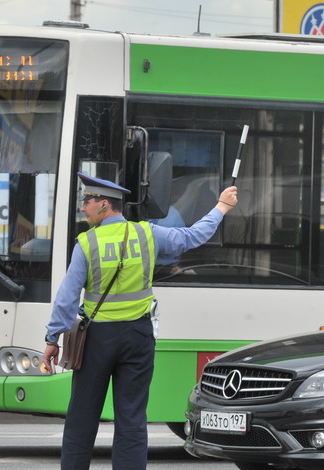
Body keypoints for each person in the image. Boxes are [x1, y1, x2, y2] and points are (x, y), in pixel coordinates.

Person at [42, 172, 237, 470]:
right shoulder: (148, 234)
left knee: (82, 416)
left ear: (104, 205)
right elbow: (193, 236)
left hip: (96, 340)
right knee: (132, 418)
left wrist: (52, 340)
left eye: (87, 201)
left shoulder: (86, 244)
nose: (83, 208)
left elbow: (67, 298)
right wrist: (221, 206)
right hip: (138, 336)